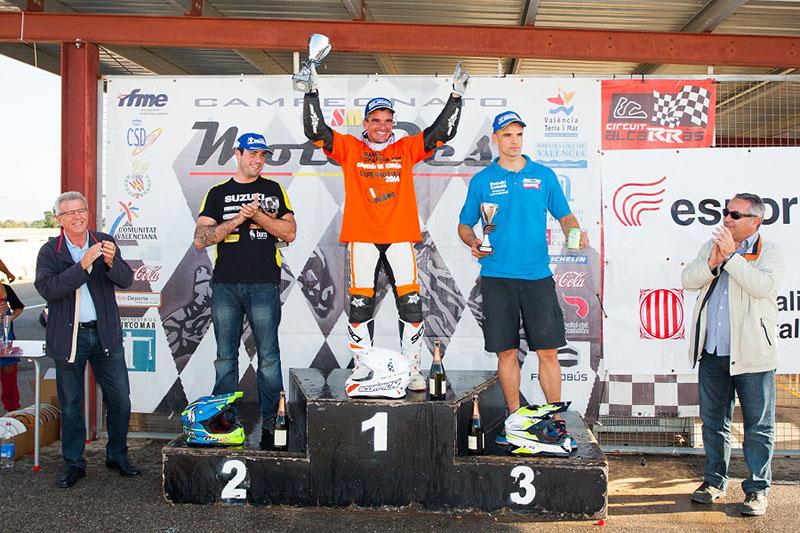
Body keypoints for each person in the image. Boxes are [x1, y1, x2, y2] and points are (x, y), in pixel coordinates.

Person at [300, 63, 469, 391]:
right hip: (362, 237)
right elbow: (316, 131)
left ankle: (412, 369)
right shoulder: (350, 148)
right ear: (365, 123)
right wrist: (311, 93)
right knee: (360, 305)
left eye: (388, 120)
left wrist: (456, 97)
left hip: (399, 236)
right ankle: (363, 366)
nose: (382, 126)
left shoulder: (404, 148)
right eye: (375, 120)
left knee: (411, 303)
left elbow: (441, 133)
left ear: (393, 123)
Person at [457, 111, 588, 445]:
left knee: (548, 352)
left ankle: (555, 421)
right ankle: (515, 421)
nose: (514, 141)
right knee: (506, 353)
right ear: (496, 140)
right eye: (507, 135)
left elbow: (565, 216)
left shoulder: (543, 175)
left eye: (518, 134)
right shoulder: (482, 181)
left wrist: (574, 232)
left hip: (536, 277)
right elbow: (464, 224)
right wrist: (472, 241)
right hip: (496, 277)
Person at [681, 193, 784, 516]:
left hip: (753, 355)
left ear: (755, 221)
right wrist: (713, 262)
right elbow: (688, 280)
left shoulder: (770, 251)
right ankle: (714, 482)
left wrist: (731, 257)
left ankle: (757, 490)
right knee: (713, 422)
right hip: (713, 352)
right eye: (726, 212)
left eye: (735, 215)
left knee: (758, 427)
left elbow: (761, 287)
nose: (727, 218)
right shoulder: (711, 246)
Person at [193, 132, 296, 449]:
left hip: (264, 283)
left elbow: (290, 232)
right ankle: (223, 423)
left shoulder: (273, 189)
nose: (258, 160)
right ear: (237, 154)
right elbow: (201, 239)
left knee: (269, 358)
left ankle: (273, 423)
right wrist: (239, 218)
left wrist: (259, 216)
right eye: (253, 153)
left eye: (263, 155)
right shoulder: (218, 193)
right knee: (225, 358)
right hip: (226, 285)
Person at [35, 191, 139, 488]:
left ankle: (117, 455)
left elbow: (126, 280)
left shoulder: (104, 241)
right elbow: (50, 289)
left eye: (81, 210)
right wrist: (81, 265)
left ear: (88, 212)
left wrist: (111, 260)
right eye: (70, 213)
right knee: (71, 404)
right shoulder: (49, 251)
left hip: (104, 334)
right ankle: (74, 463)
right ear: (59, 219)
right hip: (69, 338)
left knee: (120, 399)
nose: (78, 216)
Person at [0, 282, 24, 412]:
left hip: (6, 341)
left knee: (10, 381)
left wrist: (10, 318)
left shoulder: (6, 288)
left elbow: (19, 307)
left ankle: (13, 413)